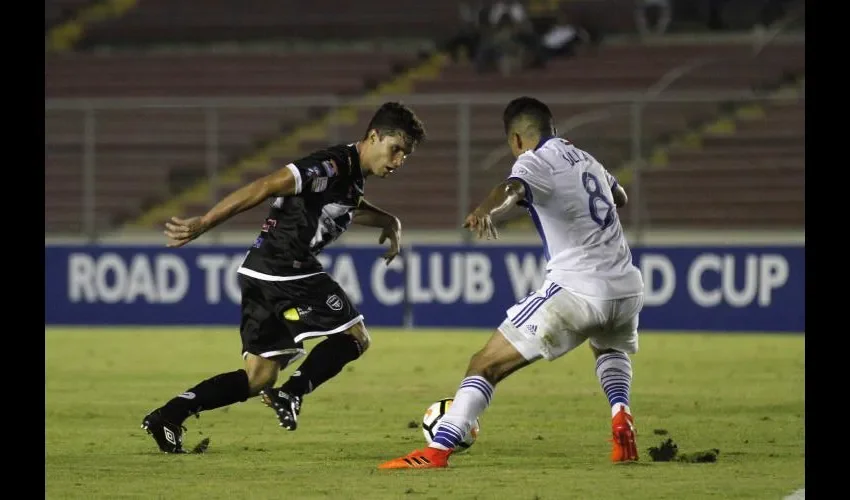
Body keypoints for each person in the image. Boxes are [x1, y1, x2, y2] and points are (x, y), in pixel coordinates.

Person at [141, 102, 426, 454]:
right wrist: (205, 222)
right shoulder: (333, 164)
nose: (398, 161)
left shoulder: (351, 179)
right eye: (395, 149)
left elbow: (347, 204)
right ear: (373, 136)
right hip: (286, 268)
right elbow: (266, 184)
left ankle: (169, 416)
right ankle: (292, 393)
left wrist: (389, 222)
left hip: (260, 271)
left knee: (259, 376)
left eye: (406, 155)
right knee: (356, 337)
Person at [377, 97, 644, 469]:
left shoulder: (535, 160)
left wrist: (487, 209)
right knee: (609, 349)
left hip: (578, 288)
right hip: (627, 287)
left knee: (484, 365)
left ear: (517, 140)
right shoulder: (586, 159)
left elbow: (512, 188)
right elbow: (620, 196)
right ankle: (621, 416)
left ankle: (436, 451)